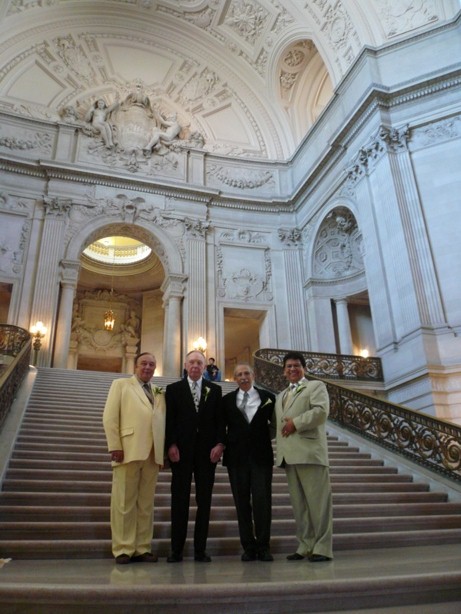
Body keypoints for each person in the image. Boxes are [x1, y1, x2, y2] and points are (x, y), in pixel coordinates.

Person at [103, 352, 166, 564]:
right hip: (128, 450)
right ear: (135, 366)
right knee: (123, 502)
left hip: (152, 454)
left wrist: (162, 452)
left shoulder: (158, 391)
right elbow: (110, 417)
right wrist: (115, 445)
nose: (148, 367)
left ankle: (142, 547)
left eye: (151, 364)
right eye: (144, 363)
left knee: (146, 504)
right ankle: (123, 548)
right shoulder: (121, 385)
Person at [165, 350, 225, 562]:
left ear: (204, 367)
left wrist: (220, 444)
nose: (195, 366)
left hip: (207, 454)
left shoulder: (215, 390)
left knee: (204, 502)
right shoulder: (173, 390)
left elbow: (220, 420)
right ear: (185, 365)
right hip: (181, 453)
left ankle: (200, 549)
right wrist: (170, 444)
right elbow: (169, 420)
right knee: (179, 501)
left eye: (199, 362)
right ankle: (176, 550)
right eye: (191, 362)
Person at [273, 351, 333, 562]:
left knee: (318, 504)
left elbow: (321, 412)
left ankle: (322, 547)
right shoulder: (280, 396)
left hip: (310, 454)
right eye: (288, 366)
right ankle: (305, 544)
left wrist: (296, 423)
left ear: (304, 368)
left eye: (296, 365)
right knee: (299, 506)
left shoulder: (315, 387)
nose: (292, 369)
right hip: (288, 457)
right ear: (284, 371)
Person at [222, 363, 275, 561]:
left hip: (261, 457)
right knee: (241, 503)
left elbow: (274, 425)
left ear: (253, 375)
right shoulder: (227, 400)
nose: (243, 377)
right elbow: (221, 427)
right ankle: (248, 547)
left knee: (263, 502)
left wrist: (261, 439)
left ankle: (263, 546)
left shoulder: (268, 398)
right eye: (239, 374)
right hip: (236, 459)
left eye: (246, 373)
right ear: (235, 378)